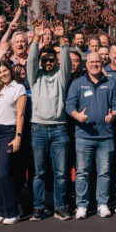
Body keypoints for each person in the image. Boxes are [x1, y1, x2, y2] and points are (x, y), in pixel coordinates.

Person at [66, 51, 116, 219]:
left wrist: (114, 115)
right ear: (86, 64)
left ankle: (102, 203)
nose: (94, 64)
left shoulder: (111, 83)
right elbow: (69, 105)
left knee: (104, 172)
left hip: (105, 136)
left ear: (102, 64)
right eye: (91, 62)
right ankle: (82, 205)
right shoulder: (77, 83)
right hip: (84, 136)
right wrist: (77, 116)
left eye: (97, 62)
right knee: (82, 172)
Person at [28, 33, 73, 220]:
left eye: (51, 60)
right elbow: (30, 60)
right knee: (39, 172)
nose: (48, 63)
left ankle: (60, 206)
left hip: (59, 129)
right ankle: (38, 207)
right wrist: (36, 40)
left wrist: (62, 41)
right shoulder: (34, 77)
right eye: (44, 60)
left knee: (61, 173)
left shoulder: (61, 77)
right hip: (38, 128)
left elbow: (67, 62)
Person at [0, 59, 27, 225]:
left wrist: (18, 136)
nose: (2, 74)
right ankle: (1, 210)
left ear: (10, 70)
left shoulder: (19, 88)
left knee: (4, 173)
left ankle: (13, 211)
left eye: (5, 71)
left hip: (8, 132)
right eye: (0, 72)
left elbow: (21, 115)